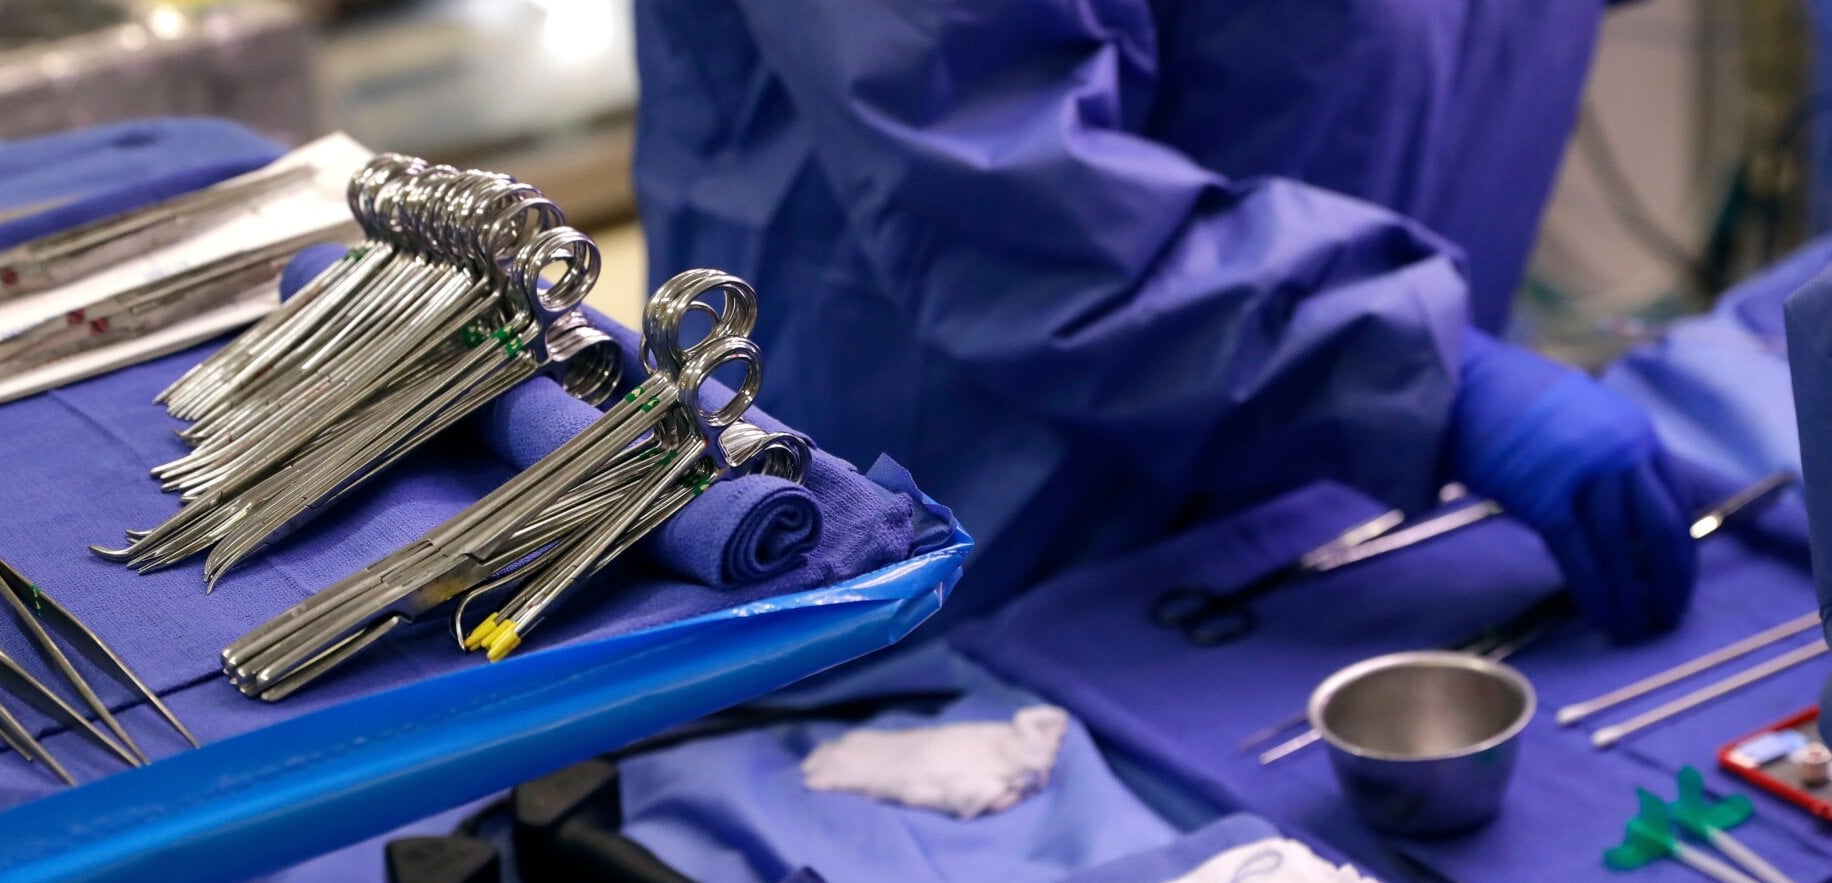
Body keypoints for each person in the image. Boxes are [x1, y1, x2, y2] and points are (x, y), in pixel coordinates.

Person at [630, 0, 1696, 640]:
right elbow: (998, 180)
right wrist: (1418, 365)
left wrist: (1404, 364)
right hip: (984, 495)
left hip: (1339, 466)